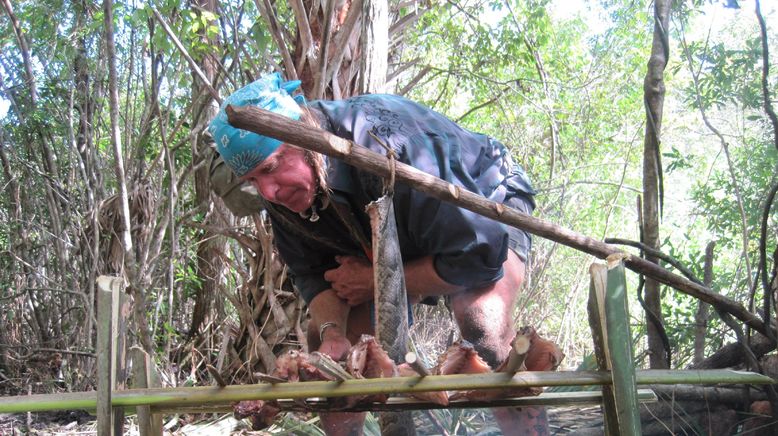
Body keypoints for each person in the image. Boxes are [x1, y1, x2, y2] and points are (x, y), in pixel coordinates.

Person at [209, 73, 550, 435]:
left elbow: (479, 255)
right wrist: (331, 333)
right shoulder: (279, 192)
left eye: (271, 168)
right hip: (389, 243)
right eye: (252, 181)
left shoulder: (385, 149)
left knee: (482, 321)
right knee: (334, 358)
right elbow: (313, 273)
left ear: (305, 138)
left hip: (483, 204)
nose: (269, 191)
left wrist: (375, 281)